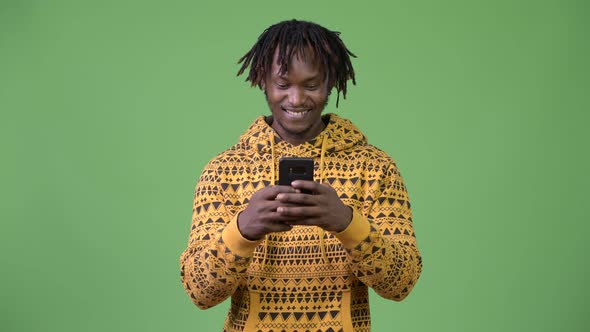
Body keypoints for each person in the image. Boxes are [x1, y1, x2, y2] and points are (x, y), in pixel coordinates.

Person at [179, 19, 422, 332]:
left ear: (331, 82)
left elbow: (401, 283)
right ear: (261, 81)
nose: (296, 99)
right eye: (282, 85)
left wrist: (348, 224)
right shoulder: (223, 171)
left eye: (311, 85)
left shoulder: (375, 168)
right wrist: (242, 231)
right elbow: (200, 291)